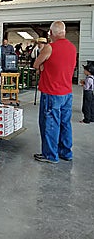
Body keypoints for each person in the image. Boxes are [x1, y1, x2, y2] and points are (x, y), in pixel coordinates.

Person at [33, 21, 76, 164]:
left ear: (51, 33)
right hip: (67, 92)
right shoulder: (72, 48)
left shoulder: (49, 48)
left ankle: (50, 155)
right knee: (65, 123)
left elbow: (36, 64)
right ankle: (66, 152)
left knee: (50, 124)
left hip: (51, 92)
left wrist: (44, 65)